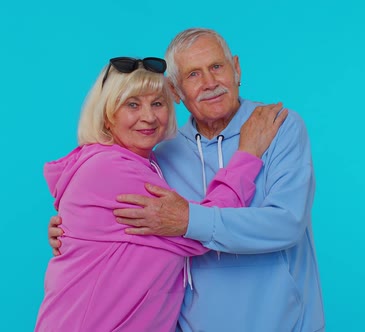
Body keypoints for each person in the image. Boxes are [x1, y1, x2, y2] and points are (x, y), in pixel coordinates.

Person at [49, 28, 325, 332]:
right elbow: (136, 235)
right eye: (193, 74)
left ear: (236, 68)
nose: (210, 83)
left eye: (217, 67)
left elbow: (287, 223)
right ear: (176, 91)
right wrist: (73, 231)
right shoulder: (161, 155)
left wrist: (187, 220)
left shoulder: (276, 127)